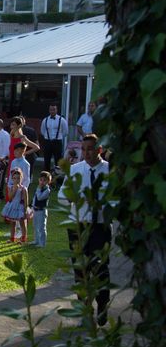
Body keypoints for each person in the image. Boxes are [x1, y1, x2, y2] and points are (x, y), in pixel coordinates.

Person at [58, 134, 111, 327]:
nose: (86, 153)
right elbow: (62, 196)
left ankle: (102, 303)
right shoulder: (75, 170)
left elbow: (116, 199)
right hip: (78, 226)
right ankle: (84, 310)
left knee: (100, 268)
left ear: (99, 150)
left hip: (100, 226)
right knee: (80, 270)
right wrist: (77, 198)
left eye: (90, 149)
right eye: (84, 149)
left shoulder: (108, 170)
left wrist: (101, 203)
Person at [2, 168, 28, 243]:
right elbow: (10, 198)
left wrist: (25, 210)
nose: (16, 180)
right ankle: (12, 238)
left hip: (20, 207)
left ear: (21, 178)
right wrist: (14, 189)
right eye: (14, 178)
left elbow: (26, 200)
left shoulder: (23, 188)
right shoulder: (11, 188)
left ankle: (23, 238)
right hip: (12, 206)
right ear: (12, 179)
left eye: (18, 178)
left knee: (22, 223)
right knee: (12, 223)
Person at [40, 104, 69, 172]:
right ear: (49, 110)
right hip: (47, 142)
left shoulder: (62, 120)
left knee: (58, 161)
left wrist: (59, 137)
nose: (52, 111)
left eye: (54, 109)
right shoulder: (45, 120)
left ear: (56, 110)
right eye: (51, 110)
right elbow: (42, 131)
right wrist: (48, 137)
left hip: (57, 142)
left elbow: (65, 132)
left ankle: (57, 177)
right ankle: (46, 176)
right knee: (46, 160)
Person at [31, 171, 52, 247]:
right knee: (35, 226)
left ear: (48, 181)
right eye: (41, 180)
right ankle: (36, 240)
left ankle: (42, 243)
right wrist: (32, 206)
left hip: (41, 211)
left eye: (44, 180)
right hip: (35, 209)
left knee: (41, 227)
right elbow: (35, 198)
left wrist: (39, 189)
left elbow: (39, 198)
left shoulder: (47, 190)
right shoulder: (38, 188)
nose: (42, 182)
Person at [20, 115, 40, 180]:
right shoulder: (32, 130)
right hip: (30, 155)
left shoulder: (15, 132)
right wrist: (27, 153)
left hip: (20, 155)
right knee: (28, 175)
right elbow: (37, 145)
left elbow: (37, 145)